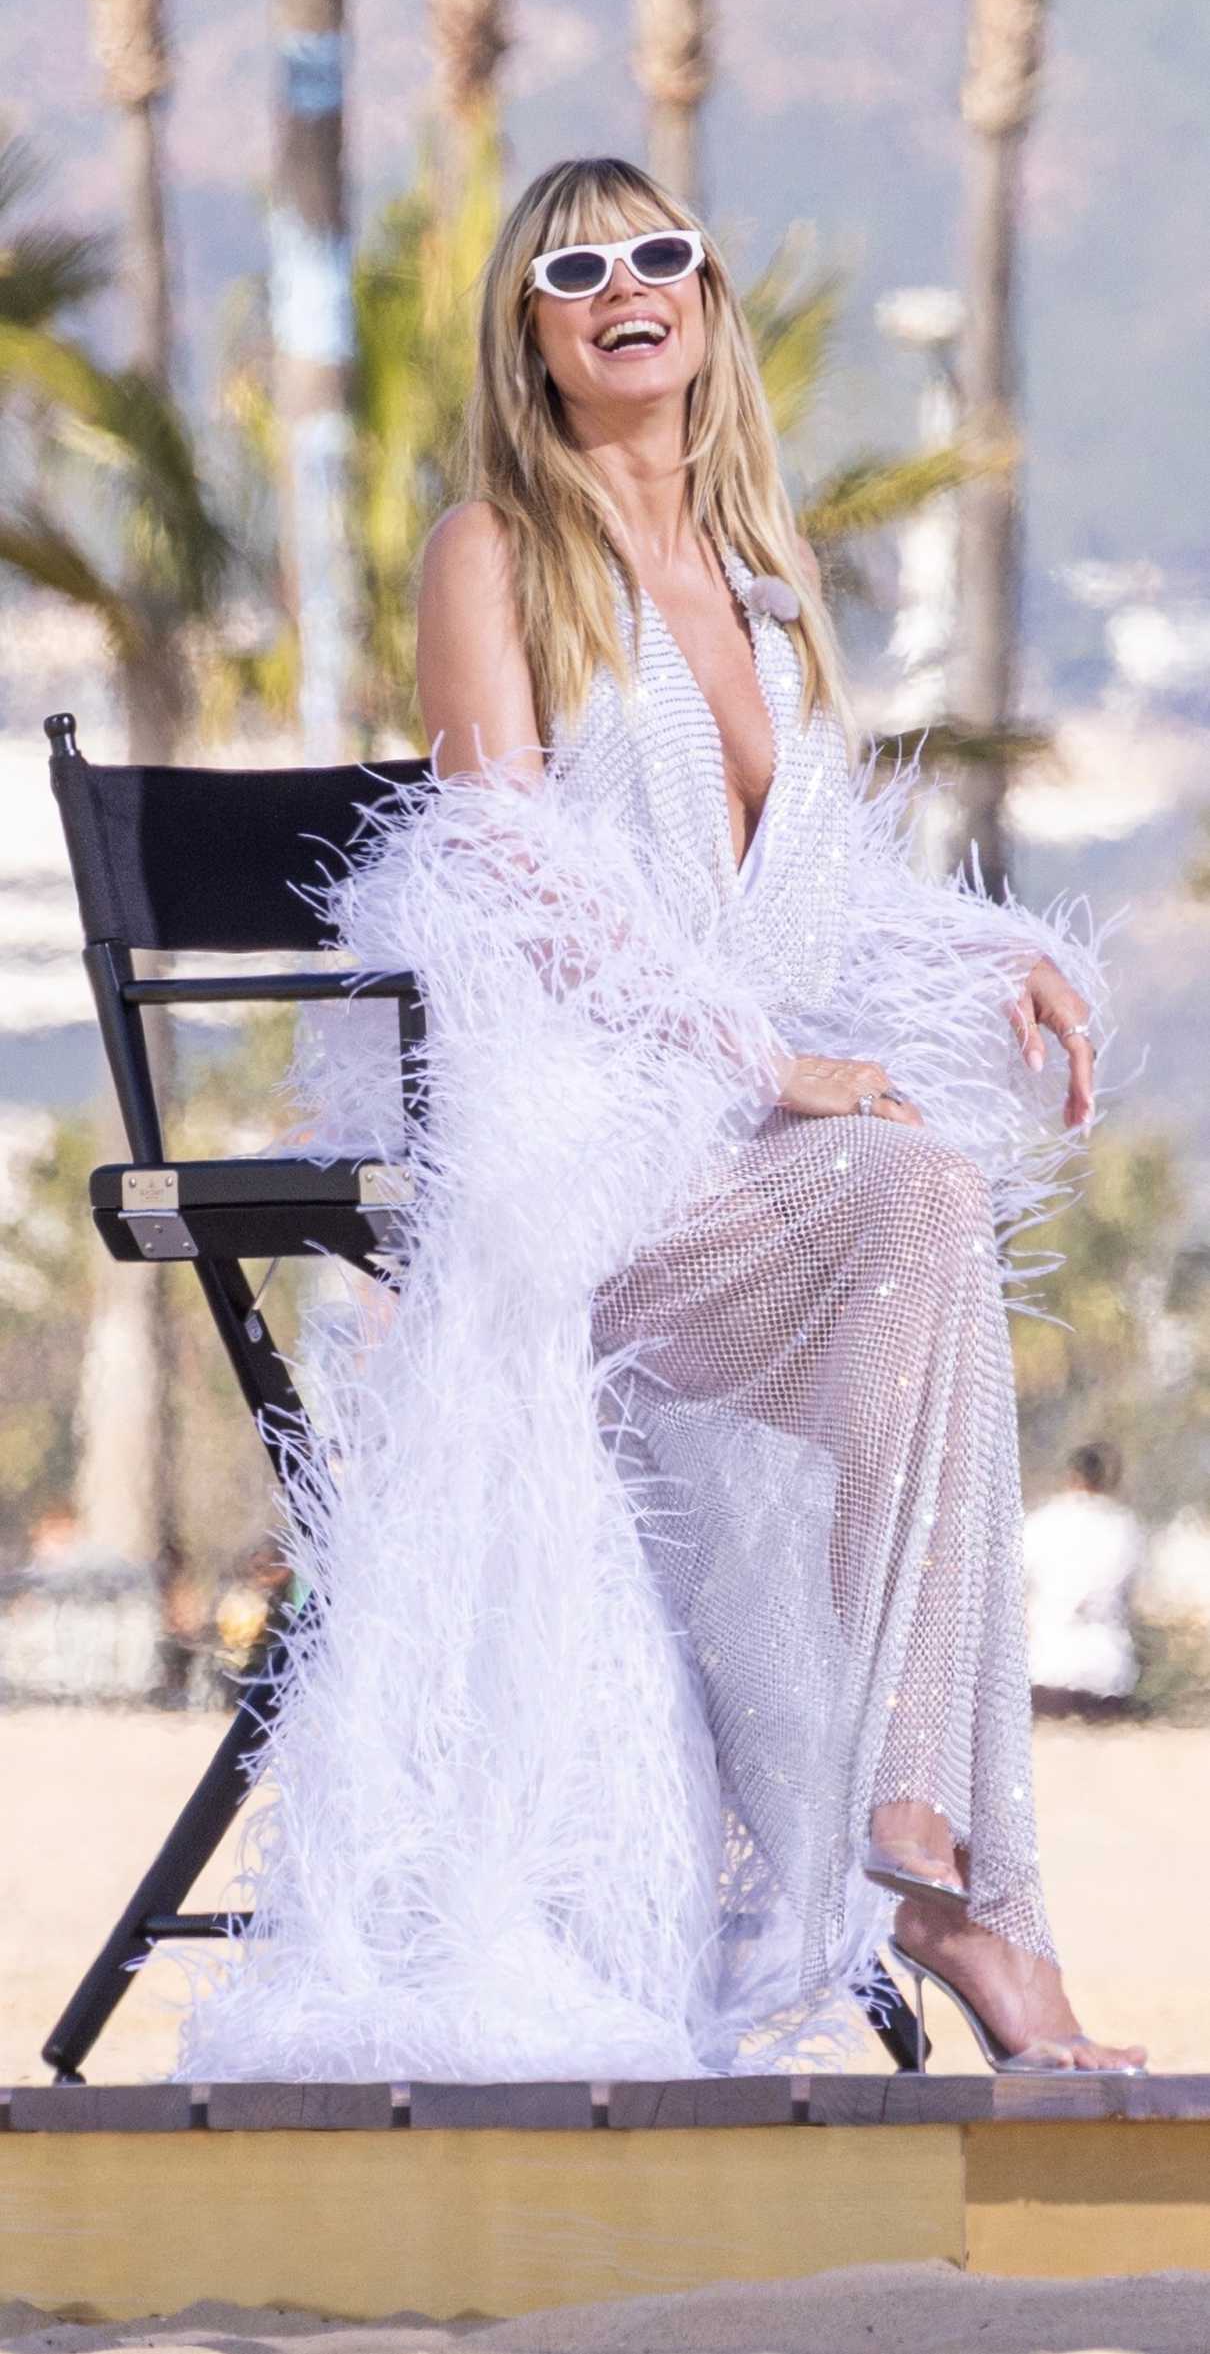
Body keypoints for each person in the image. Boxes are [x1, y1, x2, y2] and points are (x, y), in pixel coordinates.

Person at [173, 158, 1145, 2083]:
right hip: (590, 1185)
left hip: (763, 1187)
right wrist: (758, 1061)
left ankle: (927, 1847)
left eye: (661, 252)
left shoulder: (772, 597)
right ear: (531, 335)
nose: (627, 282)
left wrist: (995, 956)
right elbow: (507, 864)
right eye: (576, 266)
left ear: (702, 306)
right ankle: (942, 1870)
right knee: (916, 1200)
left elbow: (820, 905)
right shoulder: (495, 555)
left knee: (932, 1205)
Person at [1025, 1441, 1144, 1717]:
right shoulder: (1124, 1527)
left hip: (1046, 1671)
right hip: (1109, 1678)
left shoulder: (1042, 1522)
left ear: (1070, 1477)